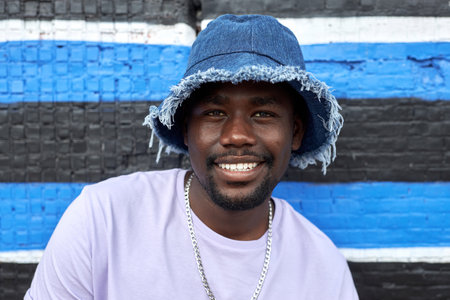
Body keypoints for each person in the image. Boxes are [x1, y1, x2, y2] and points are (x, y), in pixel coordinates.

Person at [25, 14, 358, 299]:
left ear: (295, 133)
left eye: (263, 114)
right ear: (186, 129)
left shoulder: (324, 270)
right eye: (214, 112)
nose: (237, 135)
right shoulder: (103, 220)